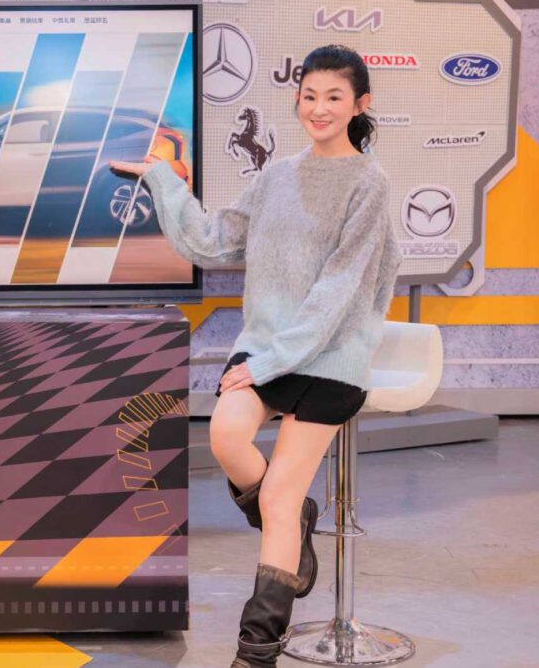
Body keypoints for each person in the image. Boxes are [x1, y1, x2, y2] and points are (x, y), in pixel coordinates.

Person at [111, 44, 402, 668]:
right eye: (309, 95)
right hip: (267, 347)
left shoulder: (370, 183)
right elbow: (212, 243)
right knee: (225, 438)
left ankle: (257, 649)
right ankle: (296, 529)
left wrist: (273, 362)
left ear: (360, 105)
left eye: (334, 97)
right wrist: (162, 180)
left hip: (329, 359)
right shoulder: (276, 176)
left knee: (275, 499)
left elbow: (339, 290)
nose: (319, 108)